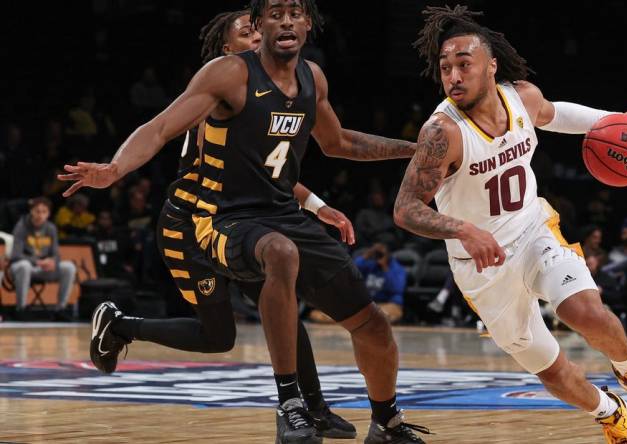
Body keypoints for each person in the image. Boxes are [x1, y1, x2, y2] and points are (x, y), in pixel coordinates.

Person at [59, 2, 427, 443]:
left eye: (295, 12)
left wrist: (416, 149)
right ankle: (292, 404)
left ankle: (378, 421)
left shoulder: (312, 79)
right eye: (272, 16)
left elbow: (336, 142)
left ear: (309, 23)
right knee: (273, 269)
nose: (283, 22)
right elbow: (159, 129)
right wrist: (115, 169)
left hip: (278, 215)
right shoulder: (226, 76)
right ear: (256, 28)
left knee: (367, 321)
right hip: (210, 218)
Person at [394, 6, 627, 442]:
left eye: (464, 64)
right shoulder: (443, 132)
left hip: (533, 229)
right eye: (445, 68)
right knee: (551, 370)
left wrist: (614, 122)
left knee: (584, 311)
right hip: (482, 266)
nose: (453, 76)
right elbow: (405, 209)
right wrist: (464, 229)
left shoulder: (521, 97)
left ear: (491, 65)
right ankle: (610, 411)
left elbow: (555, 114)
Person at [9, 197, 76, 320]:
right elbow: (16, 255)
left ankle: (60, 309)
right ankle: (21, 308)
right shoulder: (21, 227)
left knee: (68, 267)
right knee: (24, 265)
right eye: (37, 211)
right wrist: (38, 262)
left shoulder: (51, 228)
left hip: (44, 269)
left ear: (48, 213)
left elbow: (56, 253)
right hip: (23, 268)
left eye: (44, 211)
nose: (40, 215)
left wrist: (53, 262)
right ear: (31, 211)